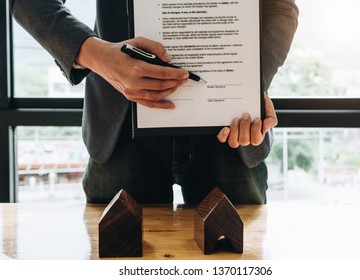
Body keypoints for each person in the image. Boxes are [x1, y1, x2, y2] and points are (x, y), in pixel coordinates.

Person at [11, 0, 299, 205]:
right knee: (117, 261)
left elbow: (281, 9)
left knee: (237, 260)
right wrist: (100, 56)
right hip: (121, 128)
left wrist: (248, 83)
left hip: (232, 127)